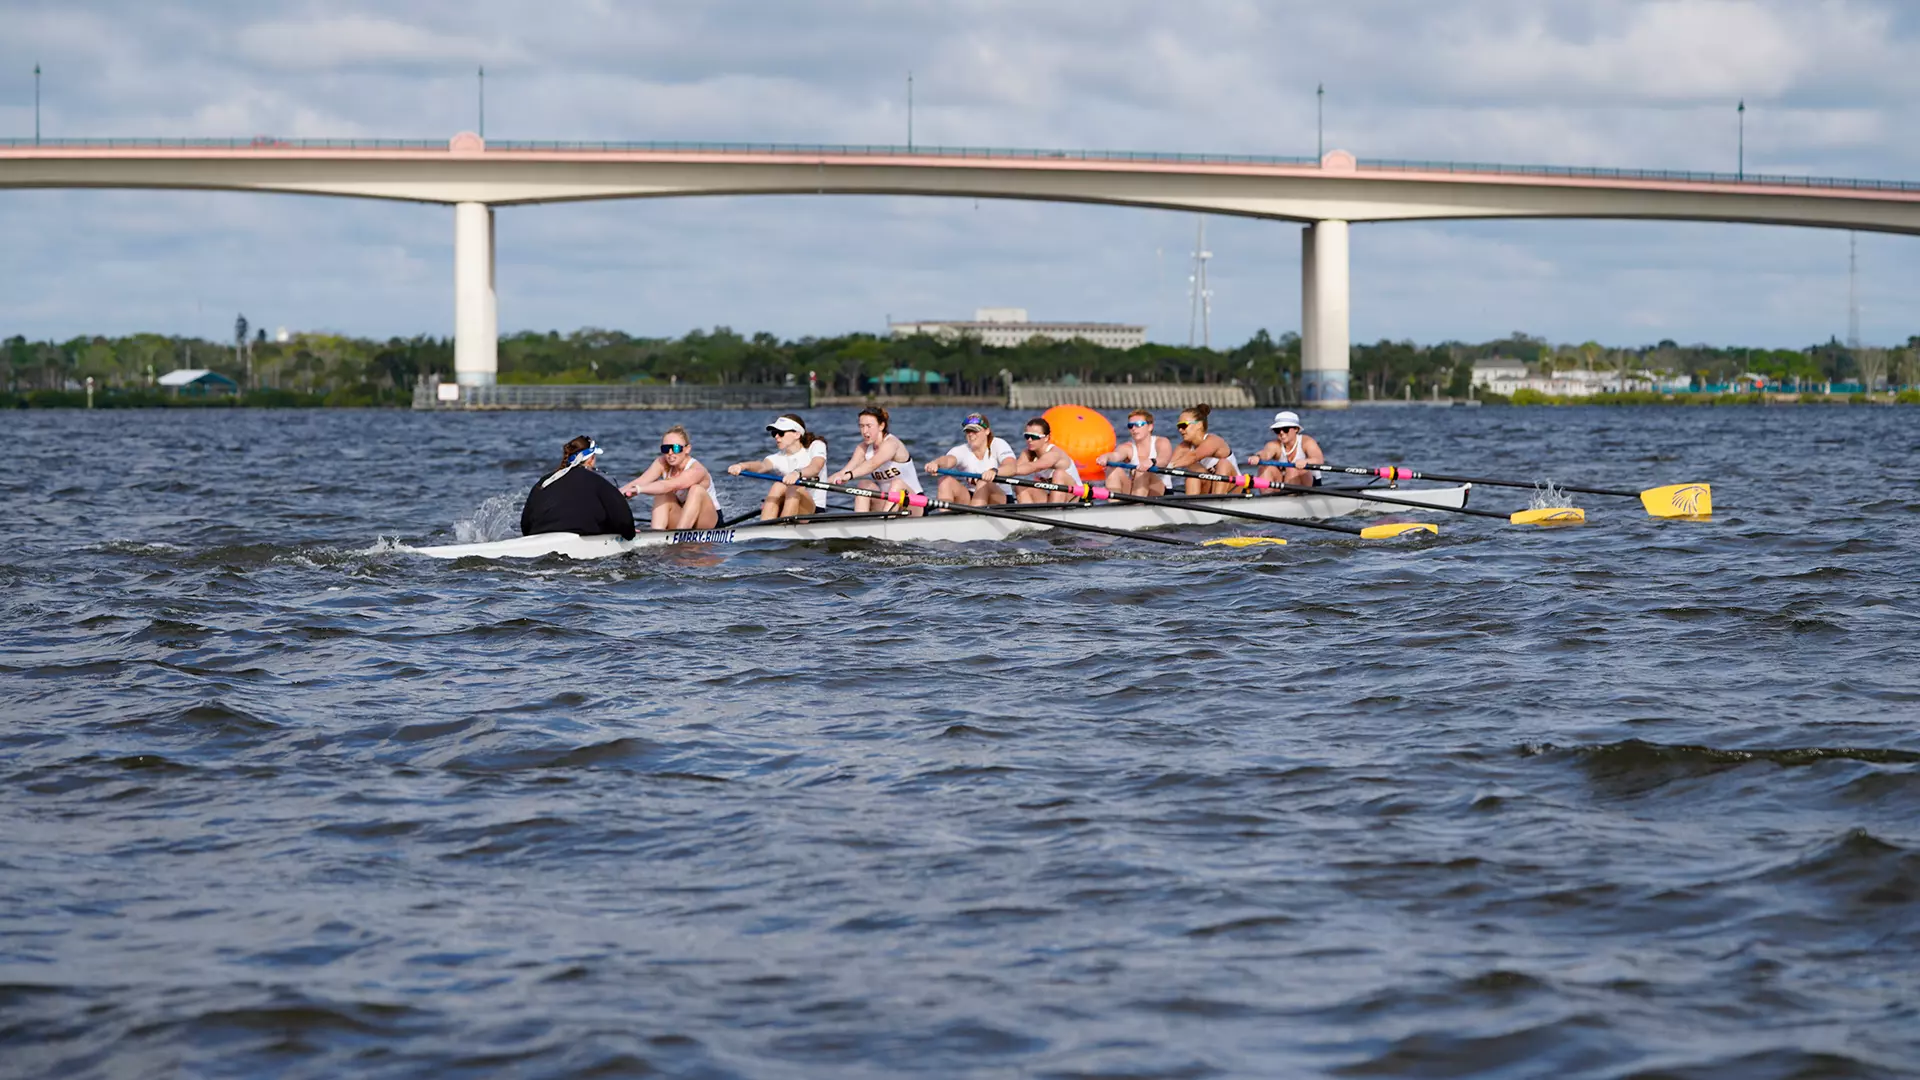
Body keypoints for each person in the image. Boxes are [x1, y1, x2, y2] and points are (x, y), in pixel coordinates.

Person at [520, 436, 636, 539]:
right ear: (591, 459)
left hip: (538, 539)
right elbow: (626, 523)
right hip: (579, 544)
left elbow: (526, 526)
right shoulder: (599, 482)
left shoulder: (545, 481)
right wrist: (626, 535)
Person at [728, 414, 831, 520]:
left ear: (797, 434)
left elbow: (816, 467)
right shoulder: (778, 457)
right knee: (778, 486)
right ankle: (766, 527)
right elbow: (761, 466)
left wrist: (797, 473)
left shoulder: (816, 446)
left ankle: (782, 529)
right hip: (788, 505)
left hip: (813, 510)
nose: (776, 437)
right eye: (774, 433)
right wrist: (742, 466)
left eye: (781, 433)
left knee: (793, 488)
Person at [620, 425, 722, 530]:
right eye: (665, 448)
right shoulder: (661, 463)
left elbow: (669, 485)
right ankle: (656, 536)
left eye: (676, 448)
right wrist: (612, 495)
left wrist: (639, 490)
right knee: (663, 495)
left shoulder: (697, 470)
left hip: (708, 521)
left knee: (696, 490)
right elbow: (640, 481)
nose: (670, 453)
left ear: (687, 449)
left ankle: (681, 535)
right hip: (682, 516)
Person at [829, 406, 923, 514]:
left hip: (914, 503)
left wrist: (849, 475)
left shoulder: (891, 444)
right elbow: (843, 472)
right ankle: (860, 523)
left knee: (897, 484)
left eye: (869, 426)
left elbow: (873, 464)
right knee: (863, 484)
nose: (864, 431)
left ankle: (885, 522)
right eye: (861, 426)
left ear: (881, 426)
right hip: (887, 502)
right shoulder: (862, 448)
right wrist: (819, 482)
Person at [924, 412, 1015, 506]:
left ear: (987, 431)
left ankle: (974, 517)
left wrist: (994, 471)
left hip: (1001, 499)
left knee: (983, 482)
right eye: (968, 431)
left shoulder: (998, 444)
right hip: (972, 497)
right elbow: (948, 460)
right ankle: (945, 517)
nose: (971, 434)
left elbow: (1011, 467)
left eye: (975, 430)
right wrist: (936, 463)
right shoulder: (962, 450)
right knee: (945, 481)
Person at [995, 417, 1084, 504]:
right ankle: (1028, 516)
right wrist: (990, 472)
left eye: (1034, 437)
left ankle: (1054, 512)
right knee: (1020, 486)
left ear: (1046, 438)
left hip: (1074, 498)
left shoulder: (1054, 454)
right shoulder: (1027, 453)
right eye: (1027, 436)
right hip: (1053, 496)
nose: (1029, 440)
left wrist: (996, 472)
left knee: (1059, 474)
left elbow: (1032, 467)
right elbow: (1013, 469)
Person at [1164, 403, 1240, 495]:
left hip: (1234, 488)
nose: (1180, 430)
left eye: (1183, 425)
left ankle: (1217, 501)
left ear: (1199, 425)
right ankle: (1191, 504)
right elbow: (1166, 467)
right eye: (1179, 427)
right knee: (1193, 472)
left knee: (1223, 463)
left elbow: (1194, 456)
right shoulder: (1183, 447)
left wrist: (1172, 465)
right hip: (1209, 489)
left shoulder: (1214, 440)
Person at [1096, 409, 1173, 497]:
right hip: (1135, 490)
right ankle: (1115, 507)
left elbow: (1164, 460)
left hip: (1160, 491)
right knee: (1113, 469)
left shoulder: (1161, 442)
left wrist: (1152, 462)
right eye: (1130, 426)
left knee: (1142, 471)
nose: (1133, 428)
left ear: (1150, 427)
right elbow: (1116, 455)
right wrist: (1106, 457)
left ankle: (1136, 507)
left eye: (1138, 424)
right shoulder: (1127, 447)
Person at [1246, 411, 1325, 491]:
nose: (1281, 433)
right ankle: (1269, 499)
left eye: (1285, 429)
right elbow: (1265, 454)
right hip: (1284, 486)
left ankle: (1289, 498)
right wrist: (1257, 457)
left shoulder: (1307, 442)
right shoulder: (1274, 445)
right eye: (1277, 430)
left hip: (1310, 484)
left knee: (1292, 469)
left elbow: (1319, 459)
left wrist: (1306, 462)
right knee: (1265, 468)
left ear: (1296, 429)